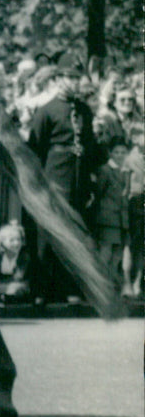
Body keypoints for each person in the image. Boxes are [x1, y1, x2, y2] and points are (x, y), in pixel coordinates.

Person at [27, 51, 103, 305]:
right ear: (58, 79)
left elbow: (90, 146)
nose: (74, 82)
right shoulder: (46, 111)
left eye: (77, 77)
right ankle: (41, 290)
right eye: (69, 77)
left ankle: (69, 287)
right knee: (48, 234)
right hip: (54, 179)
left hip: (79, 181)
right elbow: (34, 148)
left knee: (75, 236)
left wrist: (90, 179)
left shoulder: (84, 111)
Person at [91, 137, 130, 292]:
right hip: (108, 218)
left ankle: (110, 286)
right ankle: (98, 287)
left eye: (123, 152)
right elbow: (99, 193)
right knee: (105, 253)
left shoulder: (126, 171)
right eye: (116, 152)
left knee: (117, 255)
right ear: (110, 153)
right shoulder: (105, 170)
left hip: (122, 219)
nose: (120, 155)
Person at [0, 220, 31, 302]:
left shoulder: (24, 257)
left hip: (17, 287)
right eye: (12, 240)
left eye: (19, 240)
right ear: (2, 242)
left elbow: (18, 277)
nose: (16, 243)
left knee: (16, 288)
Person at [122, 123, 144, 298]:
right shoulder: (130, 159)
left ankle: (138, 283)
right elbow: (125, 187)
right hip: (134, 203)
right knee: (130, 244)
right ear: (136, 138)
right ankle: (127, 283)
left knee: (142, 246)